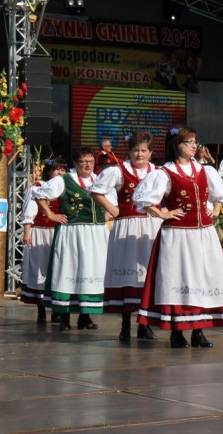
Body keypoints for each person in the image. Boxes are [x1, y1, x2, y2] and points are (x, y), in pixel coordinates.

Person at [133, 126, 223, 348]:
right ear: (176, 145)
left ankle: (199, 331)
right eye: (188, 142)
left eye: (195, 141)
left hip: (203, 235)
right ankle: (177, 331)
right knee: (179, 279)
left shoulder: (205, 170)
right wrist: (163, 213)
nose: (194, 146)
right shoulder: (165, 173)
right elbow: (142, 199)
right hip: (177, 236)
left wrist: (215, 209)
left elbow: (221, 195)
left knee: (203, 279)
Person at [89, 131, 163, 342]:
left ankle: (144, 324)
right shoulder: (119, 170)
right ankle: (125, 323)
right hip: (128, 227)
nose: (139, 154)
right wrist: (114, 210)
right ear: (129, 151)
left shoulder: (158, 172)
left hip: (151, 225)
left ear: (150, 153)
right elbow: (96, 191)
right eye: (135, 150)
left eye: (143, 150)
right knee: (128, 274)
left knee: (147, 275)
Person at [35, 147, 109, 332]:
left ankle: (85, 317)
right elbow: (40, 195)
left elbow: (111, 203)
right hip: (72, 232)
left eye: (91, 161)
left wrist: (107, 214)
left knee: (91, 270)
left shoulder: (100, 180)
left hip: (95, 233)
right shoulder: (64, 180)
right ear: (75, 164)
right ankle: (65, 318)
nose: (88, 165)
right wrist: (51, 214)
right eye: (83, 161)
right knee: (69, 270)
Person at [20, 158, 67, 322]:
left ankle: (56, 309)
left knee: (57, 270)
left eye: (63, 170)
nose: (60, 173)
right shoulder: (37, 187)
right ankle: (41, 308)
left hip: (58, 232)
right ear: (49, 171)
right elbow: (28, 212)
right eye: (57, 169)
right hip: (40, 232)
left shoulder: (65, 188)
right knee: (40, 269)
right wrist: (27, 232)